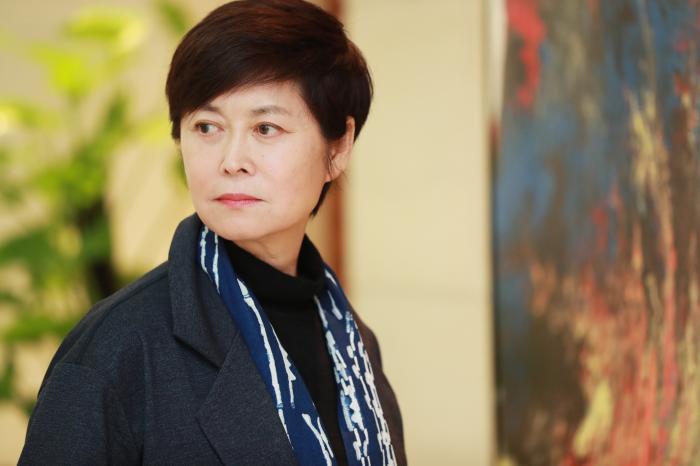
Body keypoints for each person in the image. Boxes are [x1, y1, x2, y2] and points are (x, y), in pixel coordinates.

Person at [17, 0, 407, 465]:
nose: (231, 160)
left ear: (338, 147)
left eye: (265, 128)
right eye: (207, 127)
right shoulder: (117, 346)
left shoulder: (354, 345)